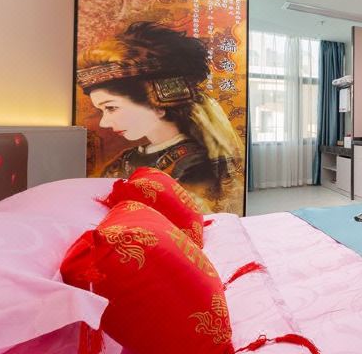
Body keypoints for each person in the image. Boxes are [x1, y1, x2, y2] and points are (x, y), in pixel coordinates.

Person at [77, 21, 244, 213]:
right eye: (102, 110)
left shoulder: (194, 165)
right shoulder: (126, 160)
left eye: (111, 108)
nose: (104, 122)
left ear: (157, 103)